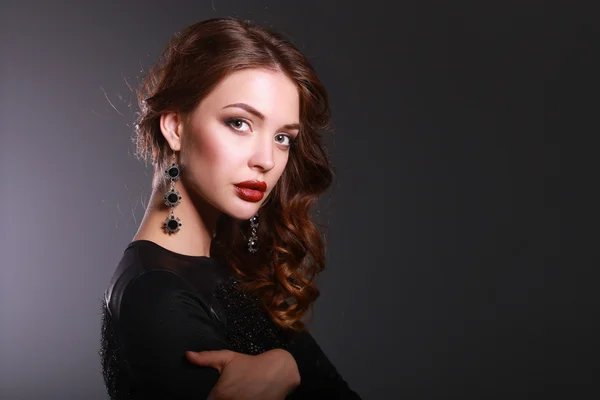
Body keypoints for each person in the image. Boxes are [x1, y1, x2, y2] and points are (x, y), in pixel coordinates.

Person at [99, 17, 362, 400]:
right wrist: (283, 368)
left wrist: (285, 366)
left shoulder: (224, 265)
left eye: (283, 138)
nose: (267, 160)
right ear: (174, 126)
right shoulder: (155, 293)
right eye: (239, 123)